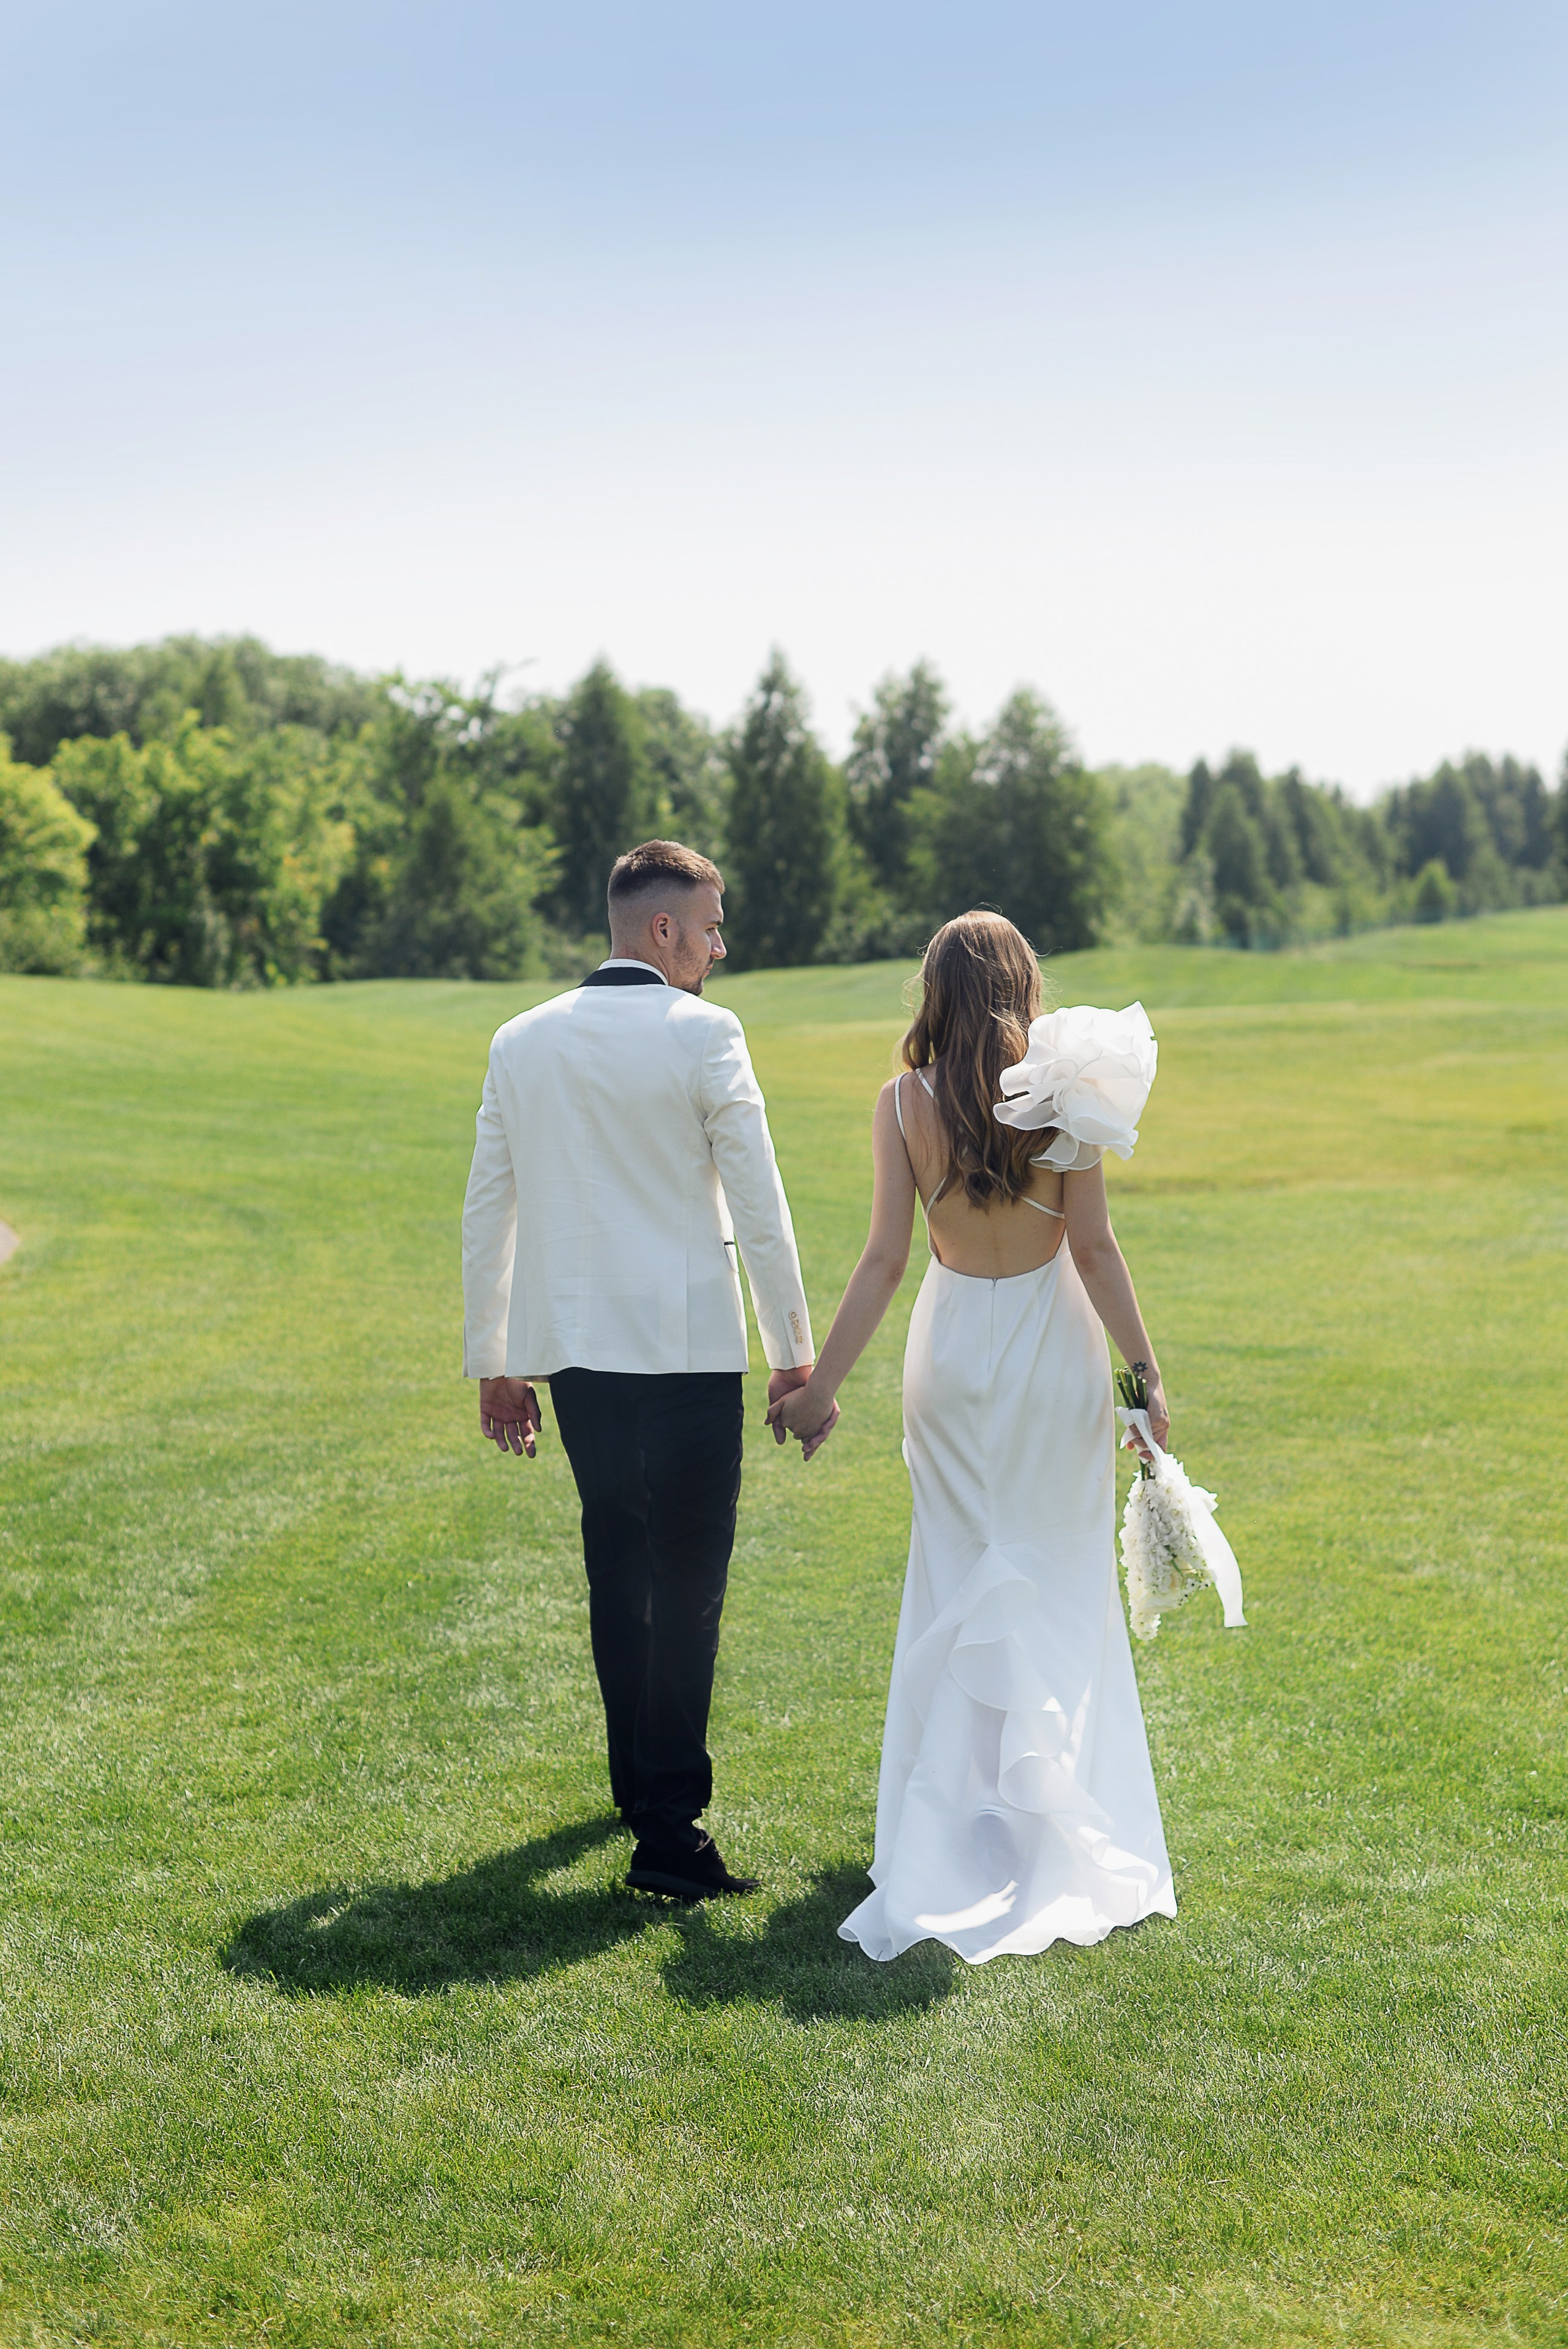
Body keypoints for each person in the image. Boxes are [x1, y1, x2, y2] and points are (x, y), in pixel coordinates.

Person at [769, 910, 1175, 1963]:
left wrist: (821, 1388)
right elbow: (1092, 1249)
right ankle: (1047, 1809)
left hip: (950, 1360)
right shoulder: (1068, 1099)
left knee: (957, 1574)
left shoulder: (901, 1103)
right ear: (1021, 985)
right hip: (1052, 1355)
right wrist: (1144, 1375)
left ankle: (949, 1824)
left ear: (933, 992)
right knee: (1056, 1575)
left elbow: (883, 1259)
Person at [461, 839, 821, 1902]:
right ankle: (668, 1830)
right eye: (710, 926)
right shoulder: (707, 1033)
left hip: (577, 1360)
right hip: (688, 1353)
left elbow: (493, 1203)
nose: (720, 946)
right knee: (688, 1587)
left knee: (618, 1568)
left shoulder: (520, 1040)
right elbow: (759, 1198)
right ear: (660, 930)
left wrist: (497, 1364)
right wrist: (793, 1352)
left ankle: (639, 1787)